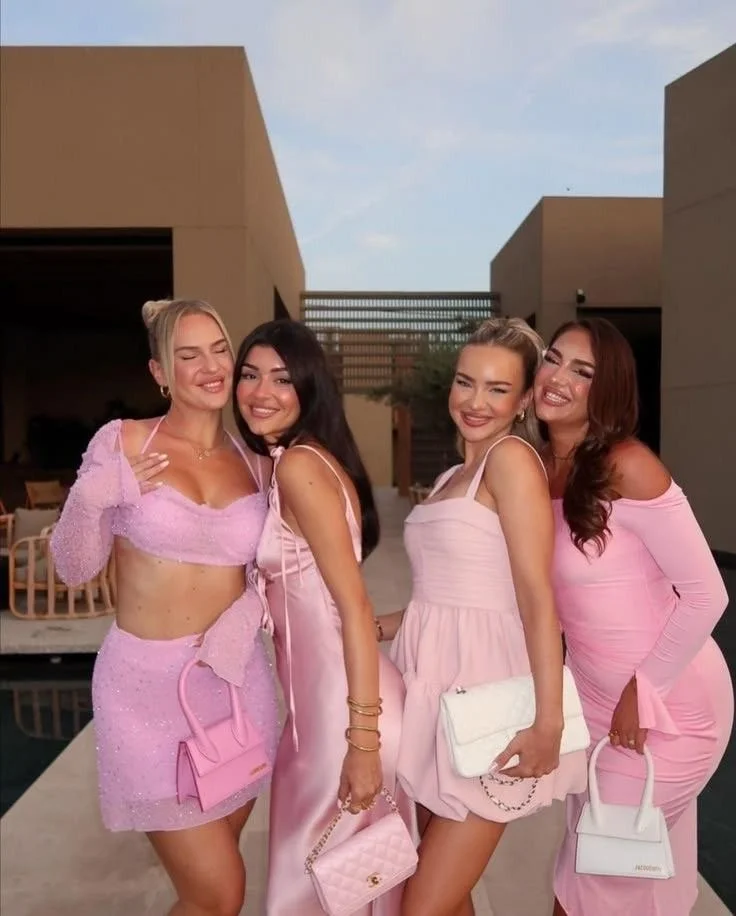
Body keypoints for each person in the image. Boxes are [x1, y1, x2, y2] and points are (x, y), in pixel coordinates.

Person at [50, 298, 279, 916]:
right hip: (144, 693)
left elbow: (277, 575)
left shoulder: (259, 465)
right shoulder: (122, 442)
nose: (210, 367)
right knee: (219, 891)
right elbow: (72, 567)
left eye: (219, 350)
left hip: (233, 686)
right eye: (188, 355)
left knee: (215, 887)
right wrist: (95, 495)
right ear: (159, 372)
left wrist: (251, 606)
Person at [379, 317, 587, 916]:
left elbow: (535, 596)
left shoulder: (511, 461)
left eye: (497, 389)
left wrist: (548, 722)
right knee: (445, 894)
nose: (474, 401)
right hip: (433, 697)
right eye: (466, 382)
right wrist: (368, 625)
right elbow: (441, 599)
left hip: (488, 707)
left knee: (423, 905)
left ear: (524, 399)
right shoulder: (451, 477)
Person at [534, 318, 733, 916]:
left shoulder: (628, 465)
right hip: (596, 705)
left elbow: (706, 594)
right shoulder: (538, 468)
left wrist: (642, 692)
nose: (559, 377)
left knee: (590, 883)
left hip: (667, 706)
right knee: (639, 877)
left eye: (583, 371)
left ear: (608, 391)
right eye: (553, 358)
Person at [234, 319, 415, 915]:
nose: (261, 391)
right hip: (323, 711)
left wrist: (361, 740)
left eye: (282, 379)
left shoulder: (299, 467)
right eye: (250, 375)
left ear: (309, 388)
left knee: (312, 886)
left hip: (344, 715)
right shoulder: (299, 458)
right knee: (352, 888)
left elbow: (354, 609)